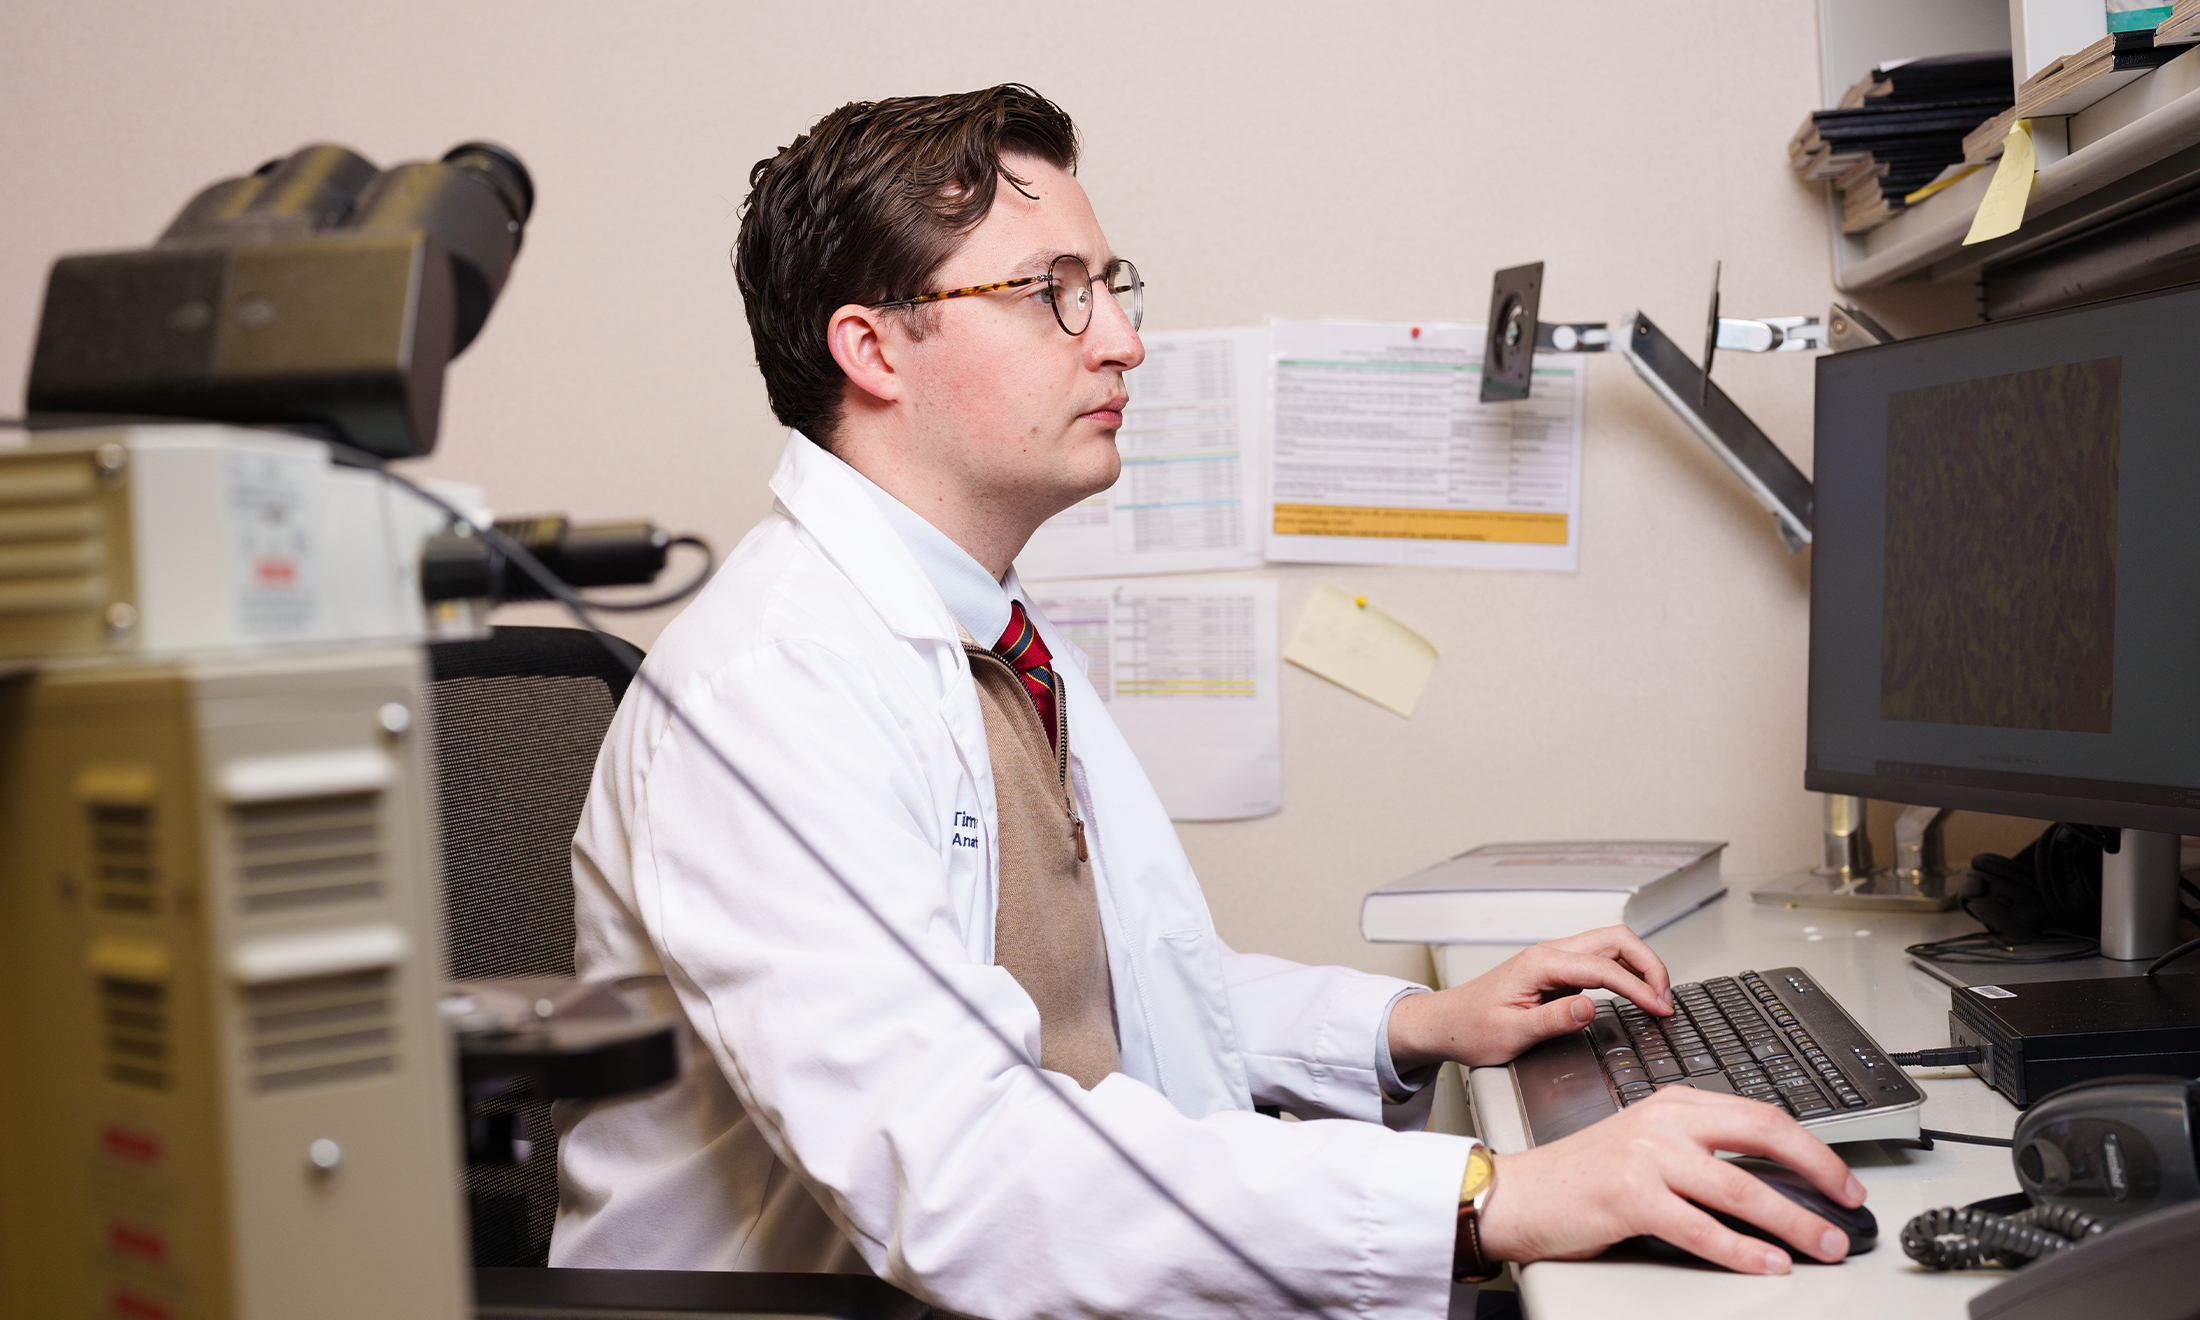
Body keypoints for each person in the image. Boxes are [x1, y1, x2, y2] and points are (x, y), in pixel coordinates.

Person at [548, 84, 1866, 1317]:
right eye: (1051, 293)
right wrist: (1488, 1194)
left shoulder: (982, 624)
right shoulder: (775, 690)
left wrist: (1414, 1027)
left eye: (1107, 286)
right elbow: (956, 1172)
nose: (1121, 337)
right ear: (874, 347)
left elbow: (1128, 980)